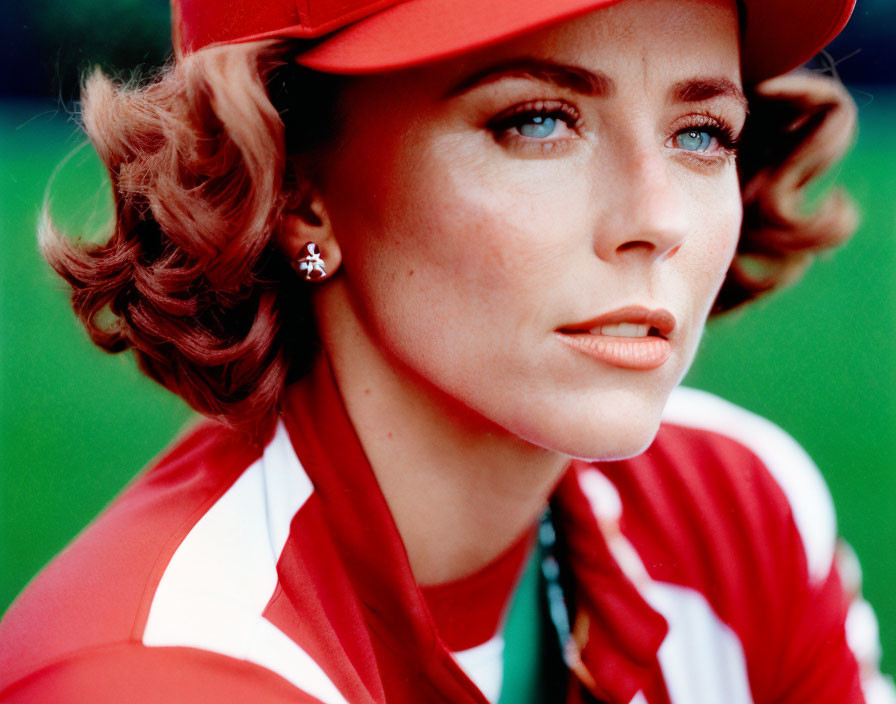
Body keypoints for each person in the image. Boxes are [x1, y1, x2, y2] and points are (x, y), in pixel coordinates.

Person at [0, 0, 892, 702]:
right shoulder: (163, 671)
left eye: (701, 133)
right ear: (297, 185)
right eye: (538, 122)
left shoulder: (737, 512)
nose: (656, 220)